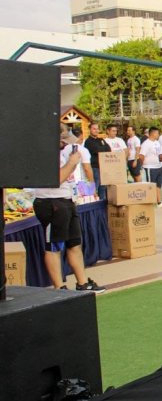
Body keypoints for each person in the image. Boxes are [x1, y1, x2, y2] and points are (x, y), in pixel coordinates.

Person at [31, 129, 106, 293]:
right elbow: (56, 179)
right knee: (54, 247)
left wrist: (85, 188)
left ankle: (82, 283)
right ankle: (59, 287)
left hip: (66, 200)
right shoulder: (43, 154)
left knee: (75, 244)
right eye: (64, 141)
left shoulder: (65, 152)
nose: (68, 144)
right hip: (50, 202)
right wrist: (71, 163)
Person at [83, 122, 111, 200]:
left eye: (97, 129)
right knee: (95, 188)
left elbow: (108, 149)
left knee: (103, 188)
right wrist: (102, 149)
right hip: (94, 167)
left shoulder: (101, 140)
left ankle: (102, 206)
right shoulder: (88, 141)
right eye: (94, 129)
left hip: (103, 167)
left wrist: (102, 149)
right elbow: (97, 150)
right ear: (90, 130)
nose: (96, 130)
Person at [138, 127, 162, 203]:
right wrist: (142, 166)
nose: (158, 135)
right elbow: (141, 155)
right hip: (150, 167)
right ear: (153, 133)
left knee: (159, 185)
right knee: (151, 185)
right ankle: (150, 201)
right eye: (158, 133)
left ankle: (159, 201)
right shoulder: (146, 143)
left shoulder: (157, 142)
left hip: (159, 166)